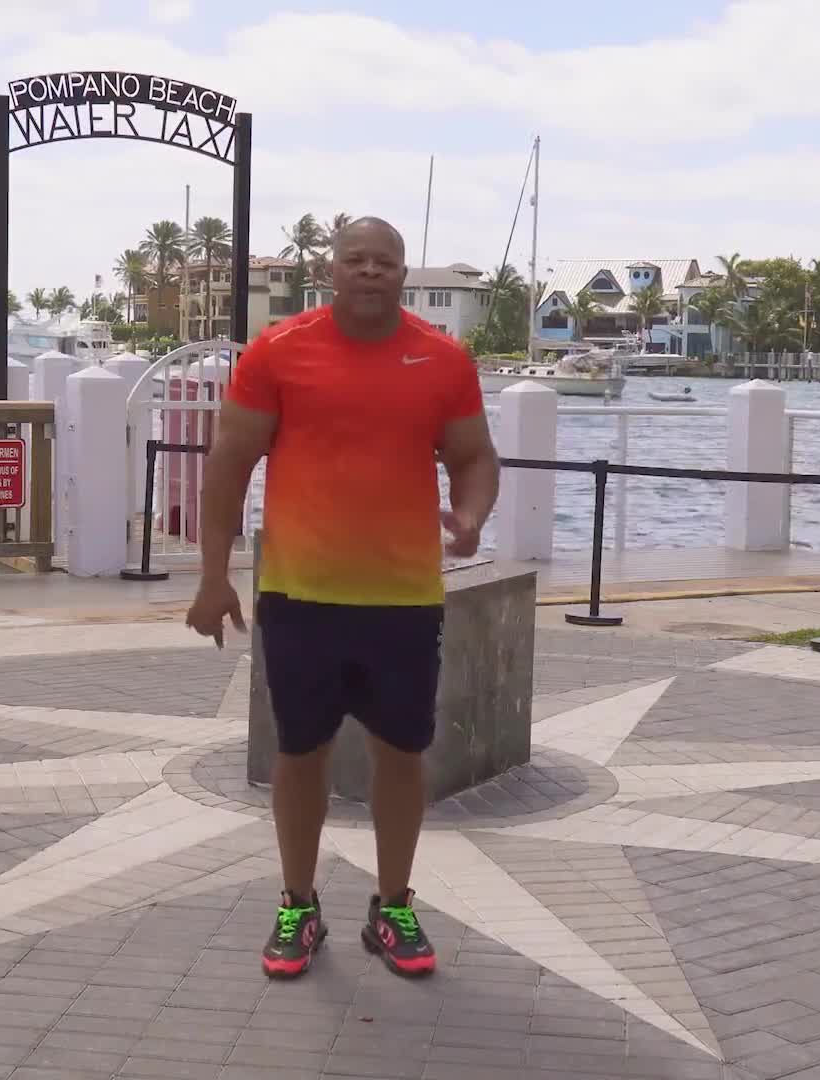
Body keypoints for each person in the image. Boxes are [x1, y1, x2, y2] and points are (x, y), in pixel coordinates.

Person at [187, 217, 499, 979]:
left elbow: (475, 456)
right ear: (331, 272)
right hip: (302, 594)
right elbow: (228, 466)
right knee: (301, 754)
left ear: (401, 273)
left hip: (402, 599)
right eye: (355, 260)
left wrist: (470, 515)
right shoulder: (279, 352)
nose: (370, 272)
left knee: (402, 754)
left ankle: (393, 905)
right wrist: (213, 575)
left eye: (384, 262)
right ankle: (298, 903)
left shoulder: (443, 357)